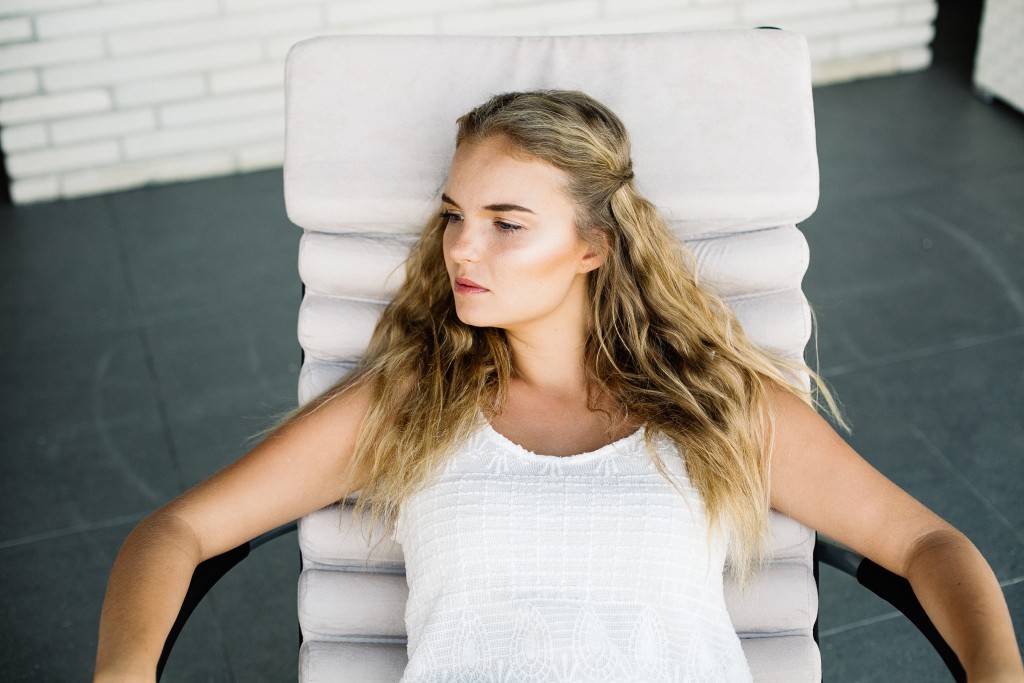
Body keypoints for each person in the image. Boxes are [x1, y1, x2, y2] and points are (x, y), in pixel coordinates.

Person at [94, 90, 1022, 682]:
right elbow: (177, 532)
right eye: (455, 215)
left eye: (507, 223)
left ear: (593, 247)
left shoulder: (711, 405)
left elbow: (926, 543)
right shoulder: (412, 402)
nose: (462, 248)